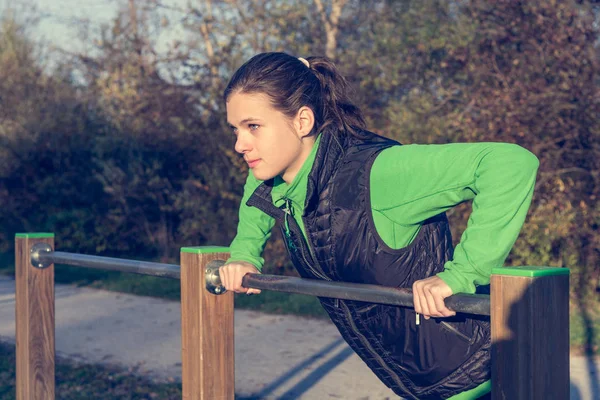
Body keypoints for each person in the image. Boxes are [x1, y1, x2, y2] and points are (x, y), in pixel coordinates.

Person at [219, 52, 538, 400]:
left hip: (479, 382)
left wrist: (462, 274)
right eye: (236, 129)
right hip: (419, 386)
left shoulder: (377, 175)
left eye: (253, 127)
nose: (239, 144)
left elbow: (509, 163)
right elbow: (258, 189)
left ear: (302, 121)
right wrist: (245, 252)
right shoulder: (281, 179)